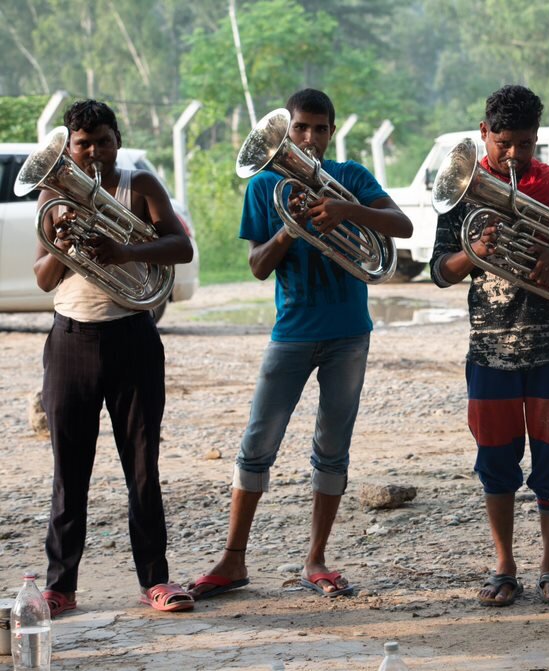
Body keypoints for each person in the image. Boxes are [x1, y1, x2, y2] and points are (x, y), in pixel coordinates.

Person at [187, 89, 412, 601]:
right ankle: (232, 559)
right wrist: (289, 230)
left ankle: (317, 560)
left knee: (332, 449)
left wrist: (346, 210)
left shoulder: (351, 177)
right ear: (287, 132)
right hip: (291, 333)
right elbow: (258, 266)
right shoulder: (265, 185)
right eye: (300, 129)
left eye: (319, 129)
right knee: (257, 443)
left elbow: (402, 226)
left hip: (349, 334)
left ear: (332, 132)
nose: (309, 138)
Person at [430, 84, 549, 606]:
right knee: (495, 460)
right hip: (490, 351)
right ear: (484, 134)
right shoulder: (464, 188)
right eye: (505, 143)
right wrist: (473, 254)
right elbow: (439, 270)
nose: (516, 155)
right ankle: (503, 565)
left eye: (526, 144)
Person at [33, 100, 195, 614]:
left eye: (103, 140)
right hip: (70, 340)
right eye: (83, 143)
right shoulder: (53, 196)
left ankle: (156, 580)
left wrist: (125, 251)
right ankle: (61, 585)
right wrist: (62, 245)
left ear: (117, 141)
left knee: (143, 466)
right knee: (69, 469)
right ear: (68, 147)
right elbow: (41, 279)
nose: (94, 151)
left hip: (132, 337)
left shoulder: (139, 185)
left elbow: (180, 249)